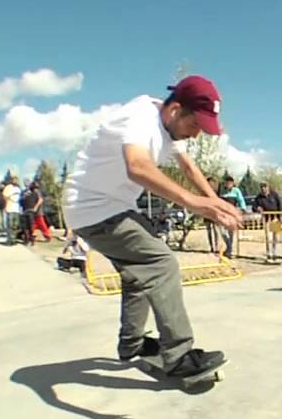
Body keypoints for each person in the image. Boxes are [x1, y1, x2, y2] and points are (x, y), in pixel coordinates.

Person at [62, 74, 241, 383]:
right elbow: (137, 166)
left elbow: (188, 167)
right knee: (160, 263)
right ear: (175, 111)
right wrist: (193, 202)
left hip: (111, 208)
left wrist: (214, 202)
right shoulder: (141, 117)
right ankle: (179, 355)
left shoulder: (170, 130)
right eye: (194, 126)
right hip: (95, 209)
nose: (195, 135)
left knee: (137, 274)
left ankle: (131, 344)